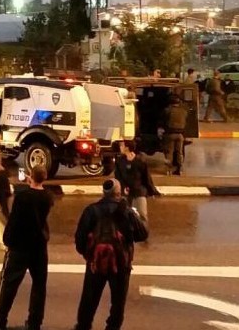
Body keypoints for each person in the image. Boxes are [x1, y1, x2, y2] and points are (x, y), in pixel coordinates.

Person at [0, 166, 54, 330]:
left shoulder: (23, 197)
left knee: (9, 284)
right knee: (39, 285)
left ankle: (0, 319)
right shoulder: (48, 197)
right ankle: (34, 322)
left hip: (20, 246)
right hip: (39, 247)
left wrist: (7, 239)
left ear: (30, 176)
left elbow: (14, 219)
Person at [73, 179, 148, 330]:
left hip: (96, 263)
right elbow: (143, 234)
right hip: (120, 264)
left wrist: (89, 256)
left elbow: (79, 239)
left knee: (89, 299)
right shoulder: (126, 211)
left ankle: (83, 326)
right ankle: (112, 327)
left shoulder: (91, 210)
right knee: (118, 302)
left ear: (103, 192)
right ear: (119, 193)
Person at [114, 141, 159, 222]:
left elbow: (146, 177)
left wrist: (152, 191)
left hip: (139, 192)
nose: (120, 147)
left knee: (141, 216)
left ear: (127, 148)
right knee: (125, 216)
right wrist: (122, 188)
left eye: (122, 146)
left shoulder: (140, 160)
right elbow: (118, 177)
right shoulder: (120, 161)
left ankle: (142, 231)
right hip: (125, 193)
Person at [161, 95, 188, 175]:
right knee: (179, 152)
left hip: (170, 134)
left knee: (169, 153)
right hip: (180, 135)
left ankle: (168, 170)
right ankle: (180, 169)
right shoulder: (184, 111)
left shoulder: (167, 110)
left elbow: (163, 121)